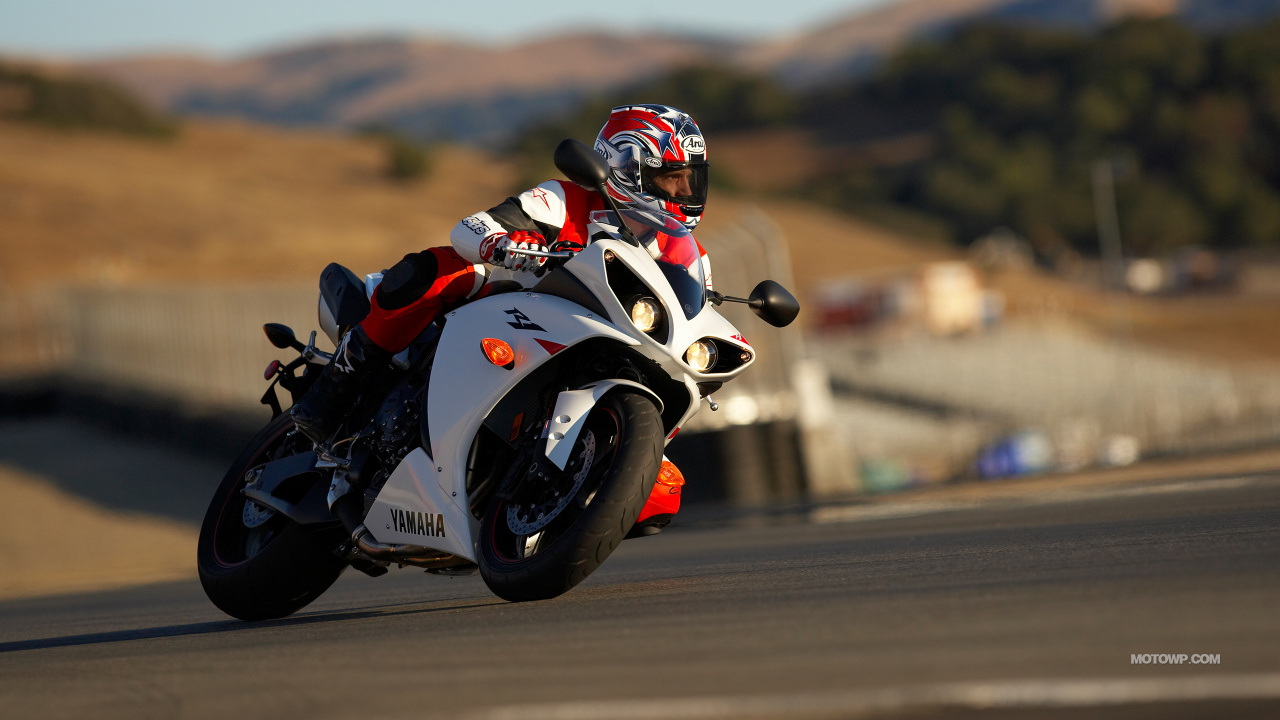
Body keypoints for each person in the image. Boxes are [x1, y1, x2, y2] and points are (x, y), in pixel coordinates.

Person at [290, 104, 711, 533]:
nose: (684, 189)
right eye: (671, 177)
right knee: (447, 271)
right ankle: (334, 388)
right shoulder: (563, 200)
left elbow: (693, 312)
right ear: (626, 167)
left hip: (593, 344)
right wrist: (497, 242)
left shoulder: (686, 254)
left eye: (690, 178)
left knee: (660, 490)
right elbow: (470, 229)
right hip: (506, 314)